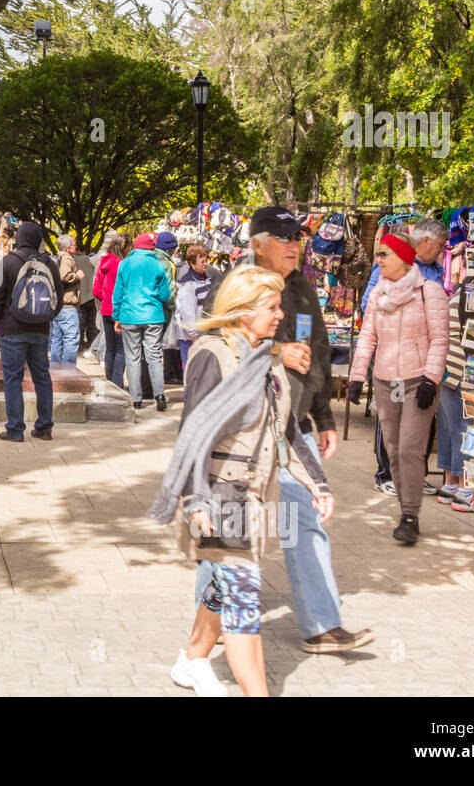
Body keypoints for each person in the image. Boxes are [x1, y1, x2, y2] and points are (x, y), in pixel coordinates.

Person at [150, 265, 333, 696]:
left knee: (223, 583)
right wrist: (196, 500)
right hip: (219, 496)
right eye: (271, 307)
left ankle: (193, 660)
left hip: (254, 496)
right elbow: (193, 429)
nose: (279, 314)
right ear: (242, 310)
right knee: (244, 605)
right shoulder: (213, 353)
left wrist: (317, 485)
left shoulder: (266, 358)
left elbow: (286, 428)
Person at [222, 206, 373, 653]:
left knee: (306, 520)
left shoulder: (304, 290)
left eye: (297, 237)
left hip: (293, 428)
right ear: (257, 244)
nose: (295, 245)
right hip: (246, 432)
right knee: (228, 536)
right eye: (284, 237)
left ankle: (322, 627)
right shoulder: (234, 289)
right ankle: (206, 631)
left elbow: (318, 354)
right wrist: (274, 354)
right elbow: (216, 351)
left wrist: (323, 418)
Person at [348, 232, 449, 545]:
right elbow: (367, 338)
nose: (378, 260)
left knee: (409, 449)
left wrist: (431, 379)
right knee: (392, 450)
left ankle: (409, 514)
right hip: (384, 380)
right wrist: (355, 376)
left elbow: (440, 339)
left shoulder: (429, 292)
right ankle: (407, 510)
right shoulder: (379, 294)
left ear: (404, 260)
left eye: (383, 254)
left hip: (418, 382)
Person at [362, 217, 449, 497]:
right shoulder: (389, 265)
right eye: (439, 245)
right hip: (394, 364)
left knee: (422, 424)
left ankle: (415, 475)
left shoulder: (436, 272)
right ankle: (386, 473)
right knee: (392, 421)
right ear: (424, 242)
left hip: (425, 367)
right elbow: (369, 304)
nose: (442, 251)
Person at [0, 221, 59, 442]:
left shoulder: (7, 262)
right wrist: (46, 318)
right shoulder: (50, 263)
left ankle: (15, 429)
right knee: (42, 377)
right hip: (41, 329)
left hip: (12, 329)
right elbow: (59, 297)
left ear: (19, 238)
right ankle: (45, 427)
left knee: (12, 378)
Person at [434, 279, 474, 512]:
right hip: (462, 367)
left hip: (447, 367)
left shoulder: (460, 290)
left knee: (449, 427)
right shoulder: (473, 292)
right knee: (466, 427)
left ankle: (450, 484)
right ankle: (466, 489)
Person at [113, 233, 172, 411]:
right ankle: (159, 395)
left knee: (133, 358)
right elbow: (165, 294)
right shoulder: (158, 265)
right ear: (151, 248)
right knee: (154, 356)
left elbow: (118, 293)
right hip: (153, 315)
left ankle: (136, 398)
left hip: (129, 315)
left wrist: (116, 316)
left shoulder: (124, 264)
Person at [175, 244, 220, 376]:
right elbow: (187, 311)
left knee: (201, 367)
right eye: (202, 262)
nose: (206, 264)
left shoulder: (205, 279)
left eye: (206, 260)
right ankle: (189, 395)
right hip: (191, 335)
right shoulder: (188, 284)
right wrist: (193, 332)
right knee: (191, 366)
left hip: (203, 330)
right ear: (192, 264)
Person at [92, 233, 128, 389]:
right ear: (123, 247)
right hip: (120, 311)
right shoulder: (123, 264)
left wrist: (106, 299)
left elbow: (96, 290)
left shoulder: (103, 263)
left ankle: (110, 382)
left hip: (106, 310)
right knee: (121, 349)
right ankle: (117, 384)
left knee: (110, 349)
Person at [49, 234, 83, 365]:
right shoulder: (67, 259)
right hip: (68, 305)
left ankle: (56, 367)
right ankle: (69, 370)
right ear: (68, 248)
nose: (76, 246)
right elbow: (64, 276)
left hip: (57, 305)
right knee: (71, 338)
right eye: (74, 245)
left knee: (57, 339)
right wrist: (77, 276)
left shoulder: (56, 257)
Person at [74, 245, 97, 350]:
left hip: (79, 296)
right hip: (92, 295)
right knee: (92, 323)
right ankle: (92, 344)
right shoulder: (90, 260)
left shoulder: (73, 259)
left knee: (81, 322)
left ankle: (79, 343)